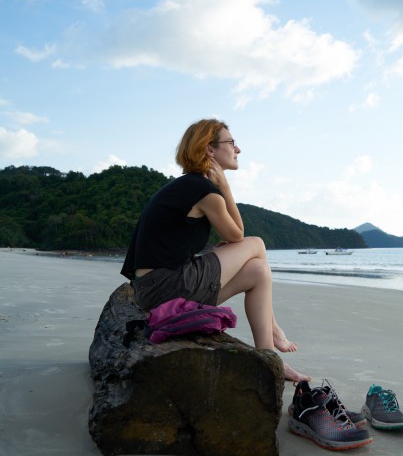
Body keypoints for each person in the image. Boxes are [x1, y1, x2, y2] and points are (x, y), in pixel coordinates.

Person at [120, 118, 309, 382]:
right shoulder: (204, 191)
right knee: (257, 244)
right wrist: (225, 187)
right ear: (210, 149)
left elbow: (170, 246)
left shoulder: (186, 186)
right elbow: (239, 235)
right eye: (231, 142)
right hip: (166, 287)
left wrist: (207, 256)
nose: (238, 149)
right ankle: (274, 329)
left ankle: (269, 358)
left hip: (154, 291)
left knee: (258, 270)